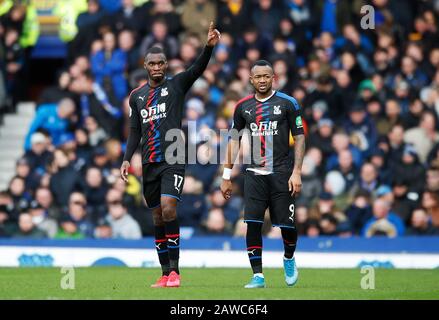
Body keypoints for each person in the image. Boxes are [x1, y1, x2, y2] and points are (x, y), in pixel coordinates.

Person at [120, 22, 220, 288]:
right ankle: (164, 273)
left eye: (160, 63)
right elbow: (134, 131)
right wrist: (127, 158)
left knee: (168, 208)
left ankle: (175, 272)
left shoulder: (176, 86)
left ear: (165, 65)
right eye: (152, 63)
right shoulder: (137, 97)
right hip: (149, 162)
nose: (156, 67)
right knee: (156, 217)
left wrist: (208, 48)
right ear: (145, 65)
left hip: (174, 158)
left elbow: (197, 69)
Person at [220, 60, 305, 288]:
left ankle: (288, 258)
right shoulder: (243, 107)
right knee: (253, 223)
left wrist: (296, 172)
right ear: (251, 79)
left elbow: (299, 137)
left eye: (266, 76)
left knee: (287, 226)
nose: (262, 80)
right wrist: (226, 175)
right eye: (258, 77)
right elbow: (234, 140)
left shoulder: (288, 103)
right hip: (255, 174)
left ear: (273, 77)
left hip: (282, 173)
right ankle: (258, 275)